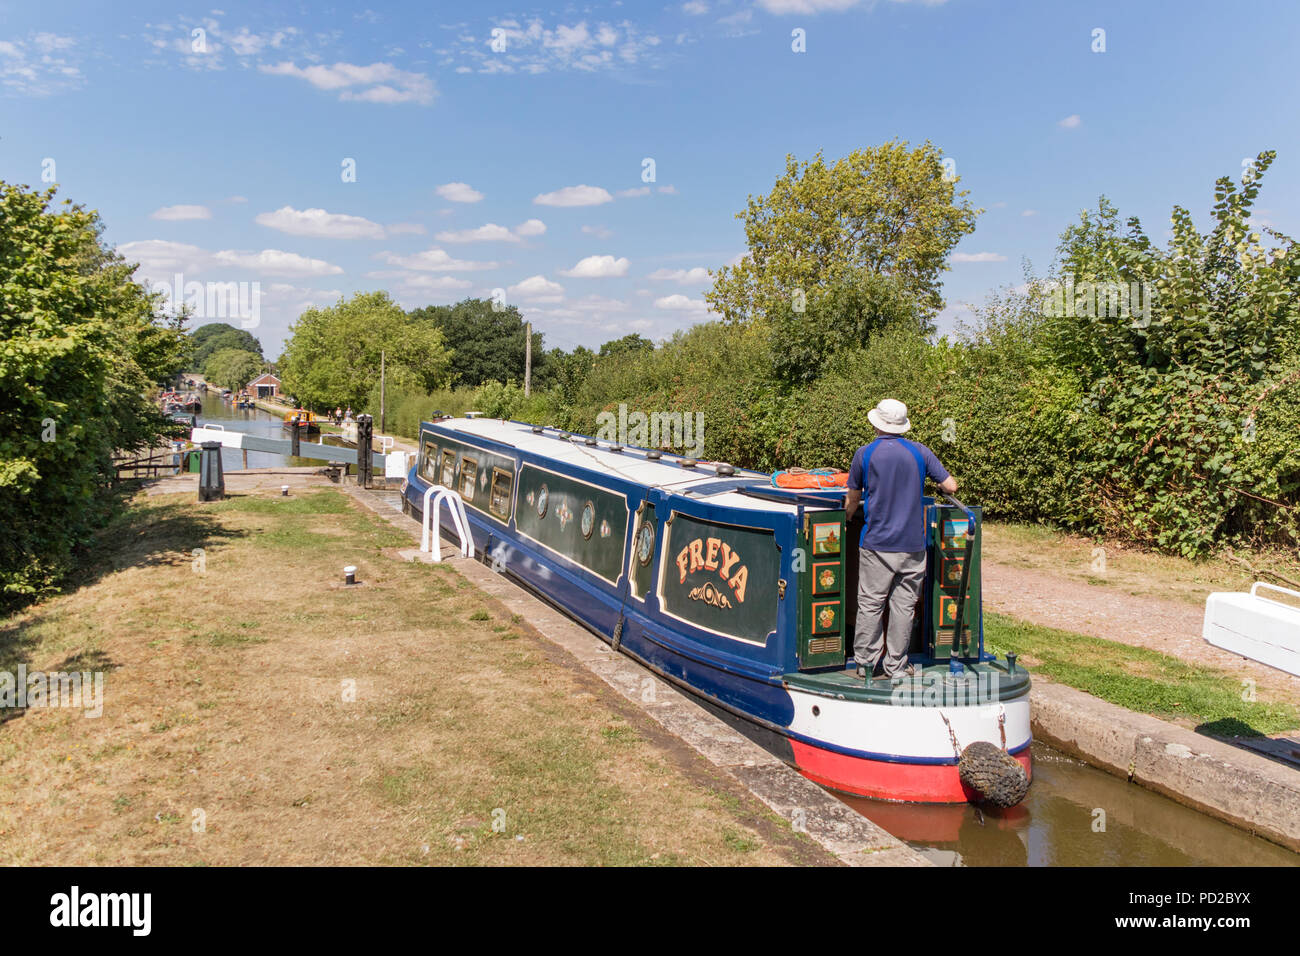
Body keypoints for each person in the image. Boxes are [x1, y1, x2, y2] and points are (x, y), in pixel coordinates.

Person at [844, 398, 957, 681]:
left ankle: (866, 664)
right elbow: (950, 485)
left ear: (876, 423)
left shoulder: (864, 454)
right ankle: (895, 666)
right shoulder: (920, 452)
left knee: (871, 603)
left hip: (877, 543)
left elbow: (853, 498)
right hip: (913, 545)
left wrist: (846, 519)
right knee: (904, 606)